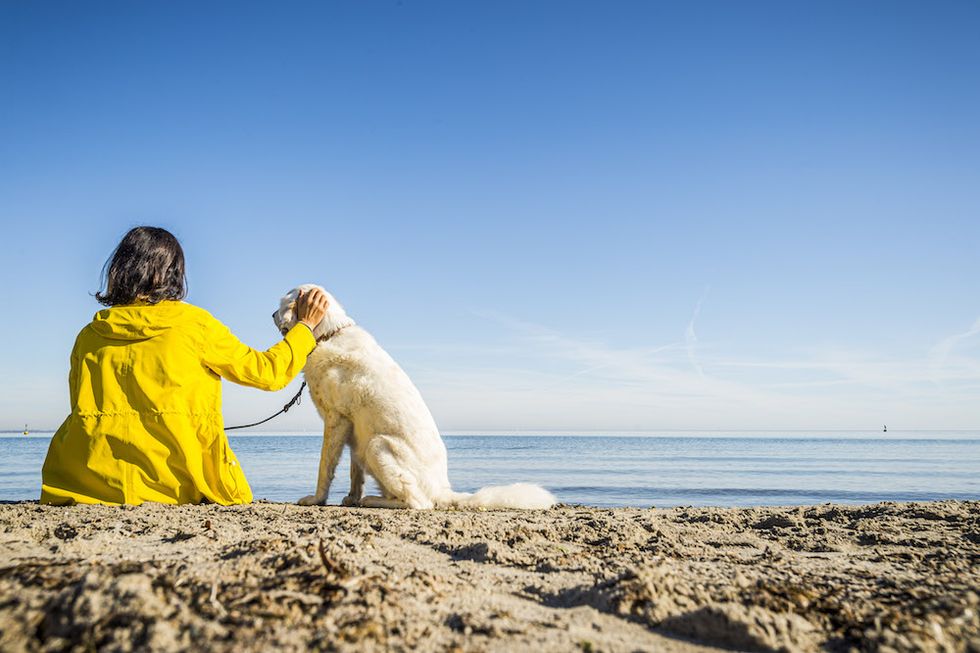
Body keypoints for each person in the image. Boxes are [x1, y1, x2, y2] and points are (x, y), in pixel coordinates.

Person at [41, 226, 328, 505]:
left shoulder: (89, 335)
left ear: (120, 270)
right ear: (172, 273)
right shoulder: (194, 325)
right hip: (173, 484)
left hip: (83, 481)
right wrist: (304, 327)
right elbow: (268, 373)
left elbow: (82, 406)